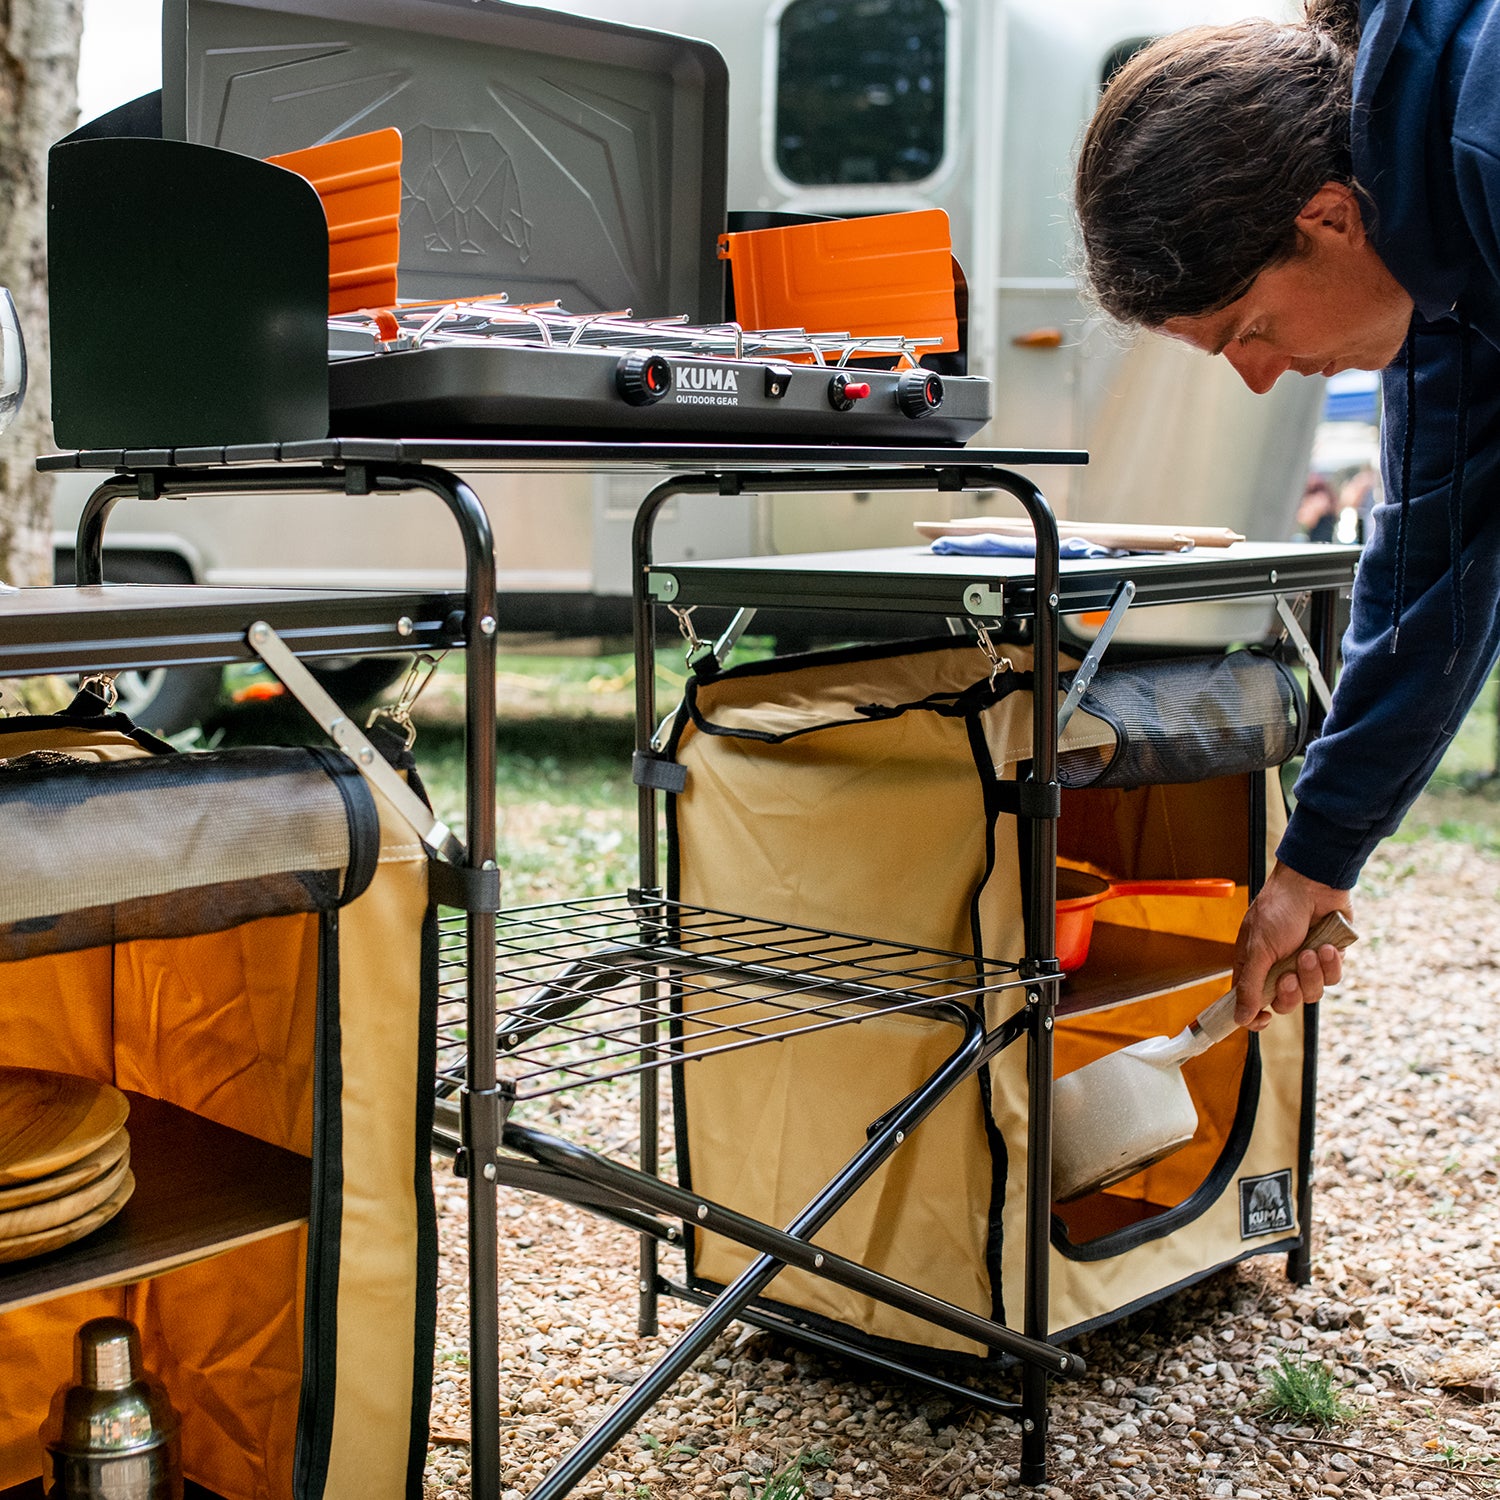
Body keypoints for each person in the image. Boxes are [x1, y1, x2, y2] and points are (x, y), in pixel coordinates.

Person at [1073, 0, 1500, 1029]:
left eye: (1251, 329)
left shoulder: (1484, 146)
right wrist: (1314, 862)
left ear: (1328, 217)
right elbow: (1434, 570)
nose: (1261, 378)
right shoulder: (1428, 254)